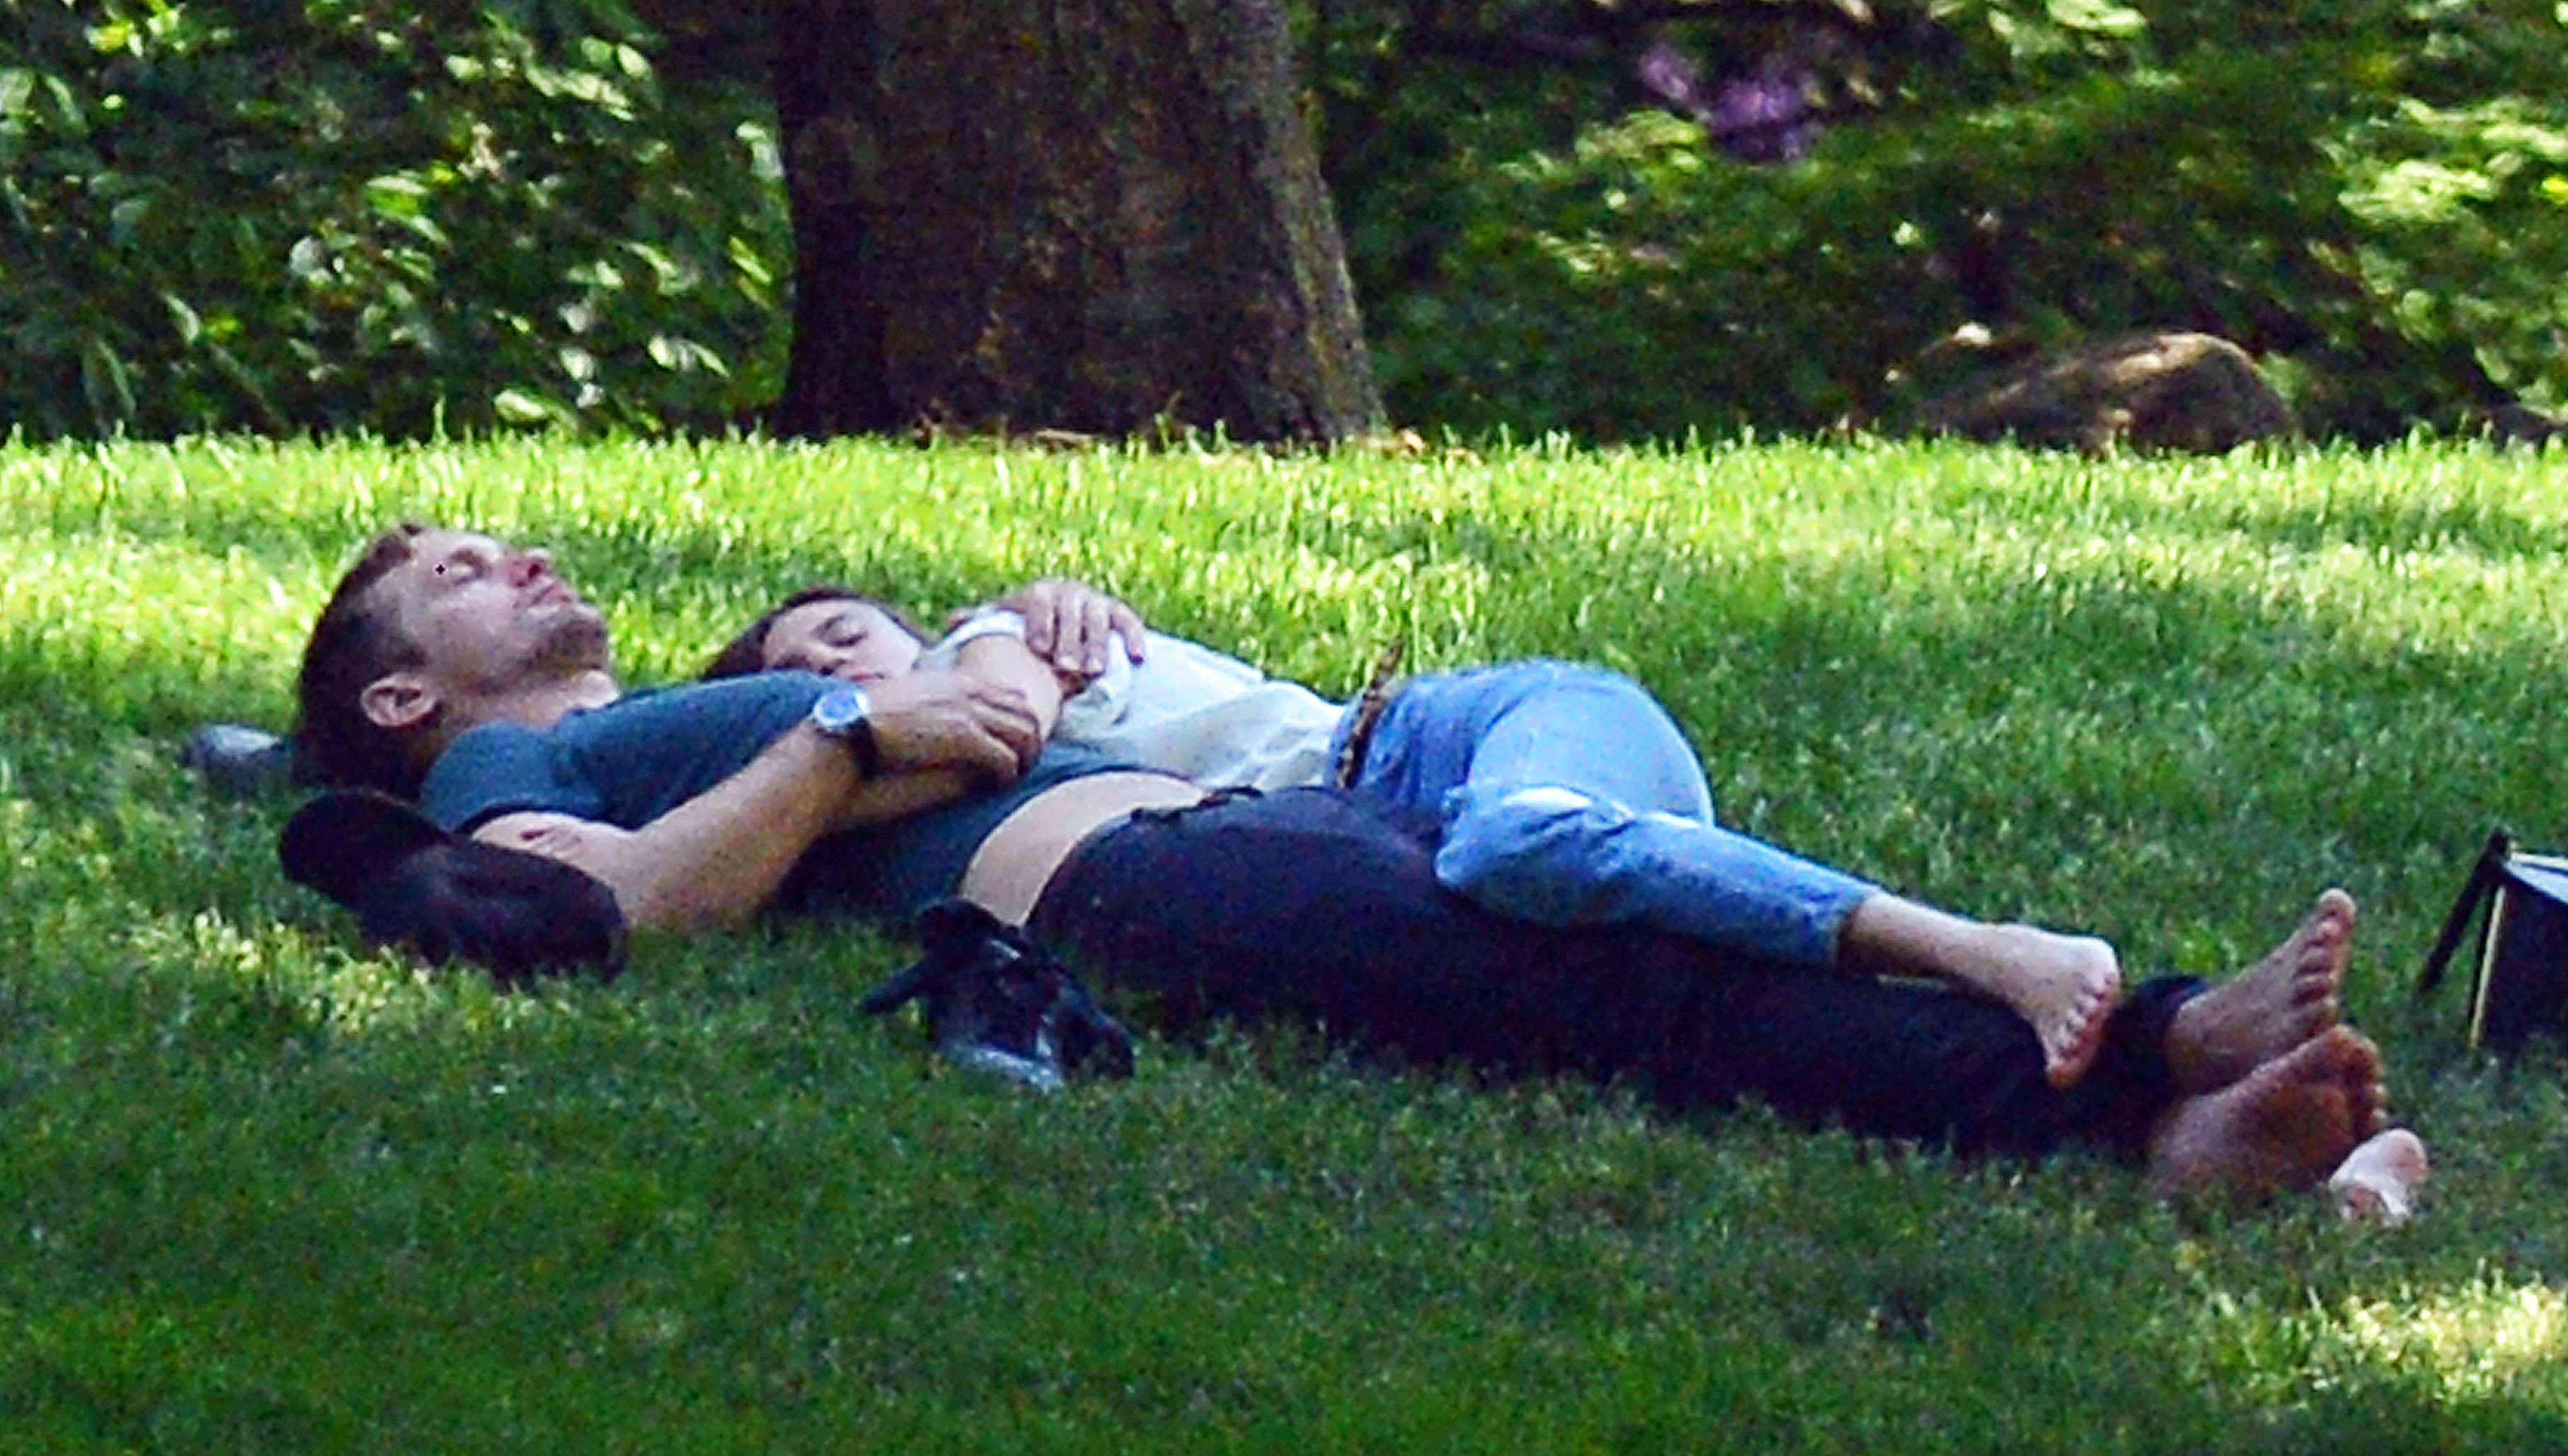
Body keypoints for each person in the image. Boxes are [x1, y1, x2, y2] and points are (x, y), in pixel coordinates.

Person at [290, 522, 2423, 1208]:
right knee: (1615, 1007)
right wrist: (858, 737)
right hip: (1124, 882)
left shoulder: (712, 699)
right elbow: (614, 912)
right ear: (402, 697)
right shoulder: (509, 774)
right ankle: (2143, 1107)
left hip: (1256, 810)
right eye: (460, 574)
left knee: (1607, 903)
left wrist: (925, 685)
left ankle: (2157, 1059)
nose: (525, 559)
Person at [703, 584, 2125, 1087]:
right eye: (799, 669)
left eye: (841, 633)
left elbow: (998, 727)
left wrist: (847, 745)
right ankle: (2060, 1049)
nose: (836, 669)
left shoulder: (990, 645)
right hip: (1420, 809)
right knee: (1581, 926)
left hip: (1447, 742)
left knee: (1522, 852)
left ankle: (1983, 950)